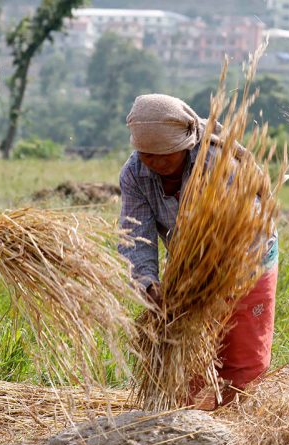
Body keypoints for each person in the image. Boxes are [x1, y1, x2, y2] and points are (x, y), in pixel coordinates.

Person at [118, 93, 279, 408]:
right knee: (188, 358)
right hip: (189, 271)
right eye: (147, 155)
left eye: (165, 155)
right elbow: (135, 235)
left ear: (185, 144)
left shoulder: (218, 165)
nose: (156, 163)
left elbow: (249, 229)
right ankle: (189, 428)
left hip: (245, 264)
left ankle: (239, 427)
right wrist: (149, 283)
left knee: (242, 358)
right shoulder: (135, 173)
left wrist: (210, 284)